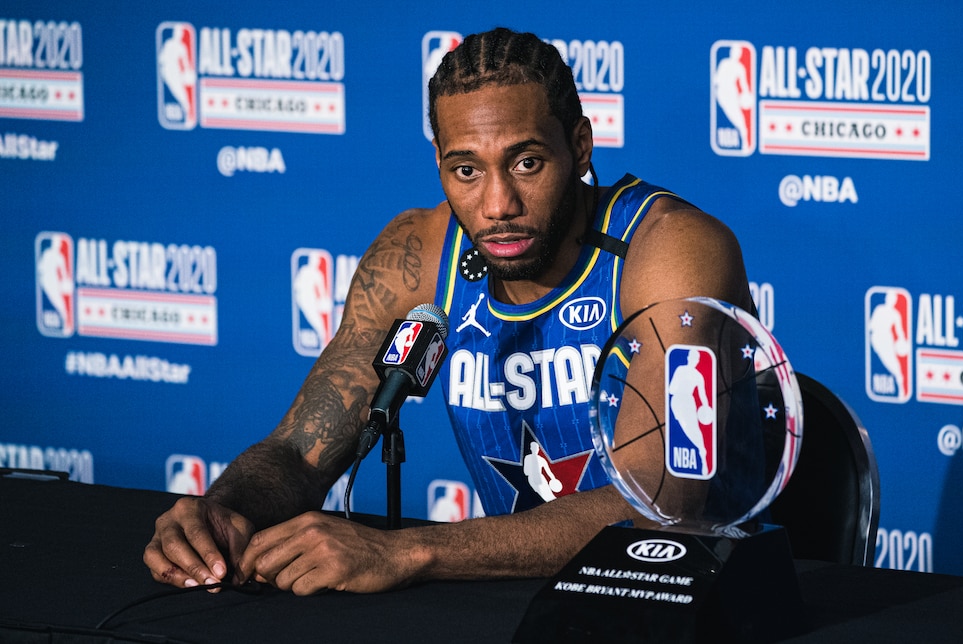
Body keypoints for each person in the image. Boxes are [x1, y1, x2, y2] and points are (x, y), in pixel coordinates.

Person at [144, 27, 755, 596]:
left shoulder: (671, 250)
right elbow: (302, 447)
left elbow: (660, 499)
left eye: (527, 162)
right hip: (515, 602)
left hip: (695, 604)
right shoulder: (420, 254)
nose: (497, 204)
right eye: (466, 170)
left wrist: (406, 552)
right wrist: (224, 511)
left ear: (580, 144)